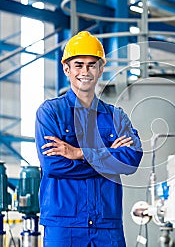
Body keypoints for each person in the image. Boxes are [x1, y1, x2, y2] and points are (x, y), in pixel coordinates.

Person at [35, 31, 143, 247]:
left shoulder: (116, 116)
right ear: (66, 69)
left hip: (107, 225)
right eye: (78, 65)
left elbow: (132, 160)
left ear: (101, 69)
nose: (85, 71)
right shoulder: (50, 112)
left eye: (91, 65)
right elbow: (54, 166)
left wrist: (79, 153)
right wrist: (109, 158)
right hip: (64, 225)